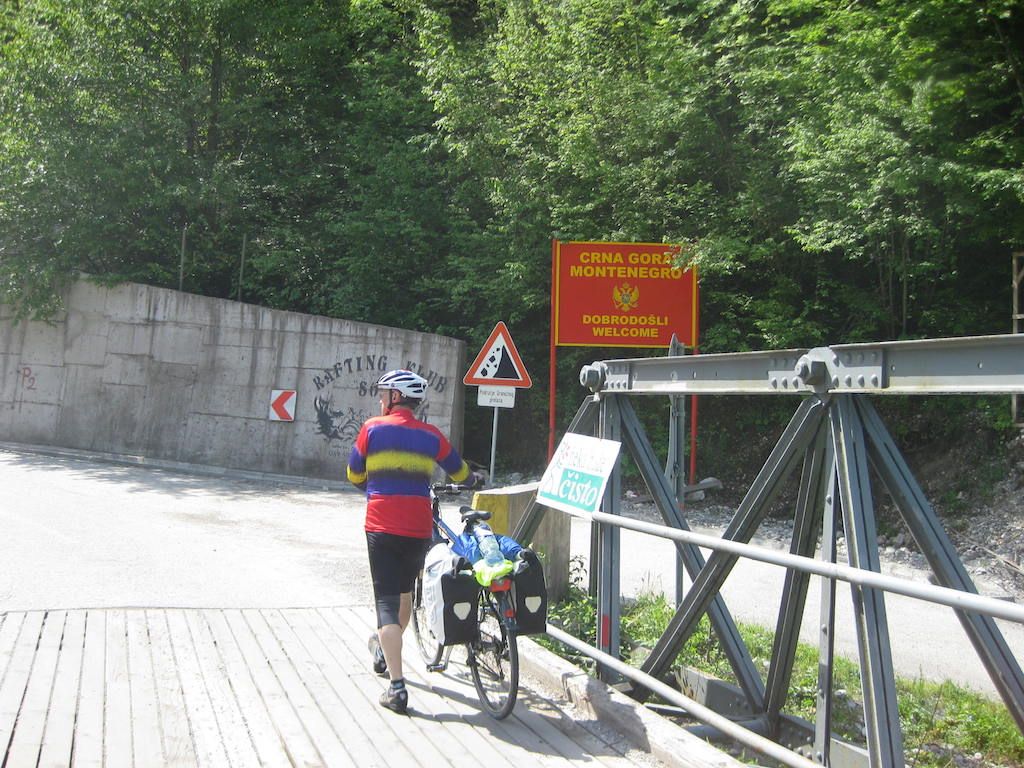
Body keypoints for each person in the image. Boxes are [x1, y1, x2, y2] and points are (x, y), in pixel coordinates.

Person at [346, 368, 480, 714]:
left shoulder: (371, 429)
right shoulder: (431, 435)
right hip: (418, 528)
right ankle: (384, 649)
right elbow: (461, 473)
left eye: (383, 393)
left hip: (381, 525)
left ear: (395, 397)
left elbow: (353, 474)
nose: (380, 399)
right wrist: (474, 479)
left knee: (386, 603)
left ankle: (397, 687)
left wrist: (376, 488)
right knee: (405, 592)